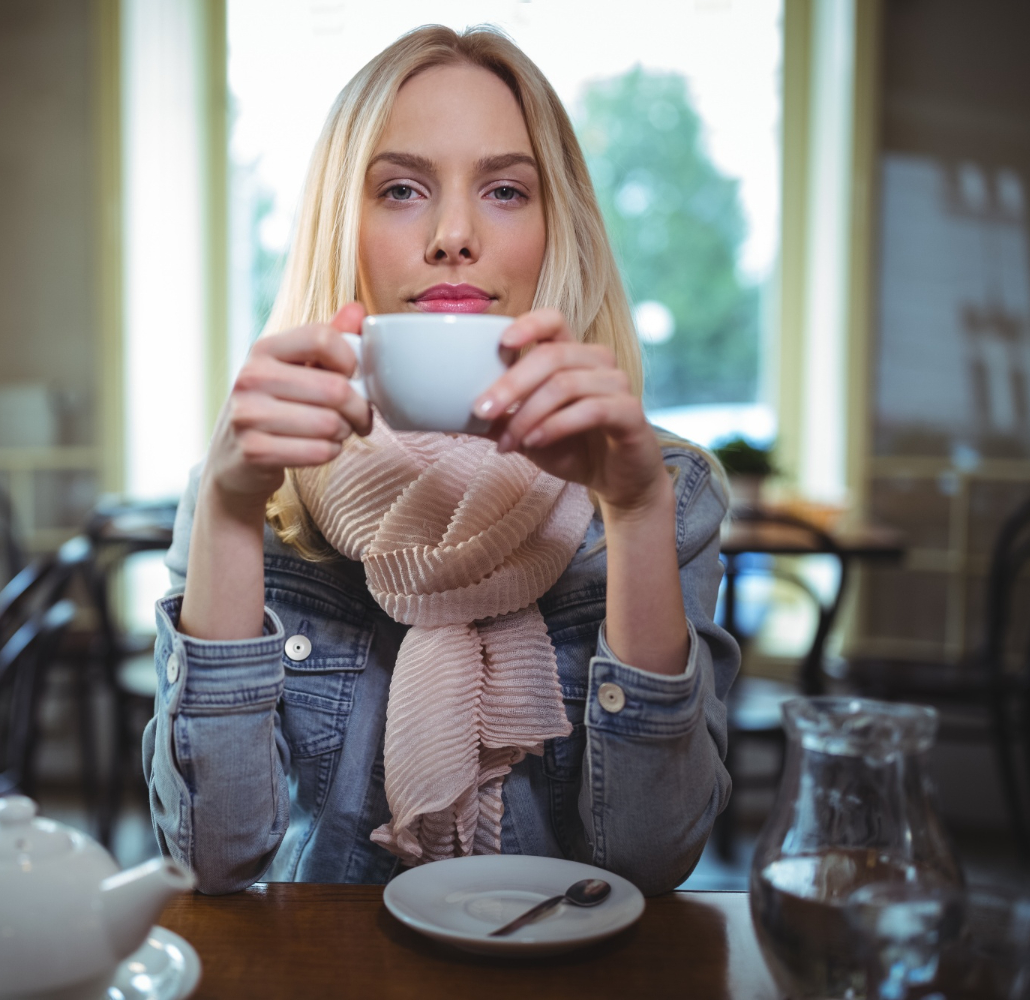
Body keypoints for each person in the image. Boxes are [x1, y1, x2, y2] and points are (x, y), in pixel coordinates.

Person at [143, 24, 738, 895]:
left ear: (555, 227)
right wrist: (231, 515)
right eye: (401, 189)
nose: (454, 235)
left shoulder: (666, 491)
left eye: (503, 190)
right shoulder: (255, 487)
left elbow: (651, 863)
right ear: (342, 227)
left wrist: (637, 515)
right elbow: (212, 858)